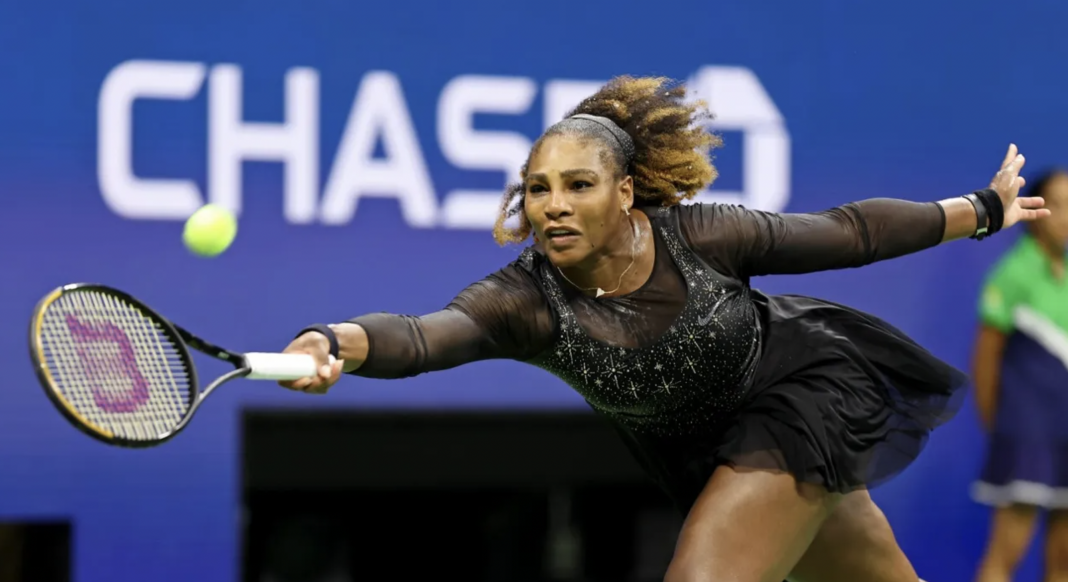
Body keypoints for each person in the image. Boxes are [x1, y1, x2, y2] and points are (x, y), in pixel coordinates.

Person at [277, 75, 1048, 582]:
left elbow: (849, 231)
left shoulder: (703, 237)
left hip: (798, 400)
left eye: (578, 184)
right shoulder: (525, 299)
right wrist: (334, 341)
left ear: (625, 191)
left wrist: (981, 210)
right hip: (702, 453)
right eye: (538, 189)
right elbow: (423, 336)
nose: (553, 205)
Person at [971, 169, 1068, 582]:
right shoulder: (1012, 273)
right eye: (1058, 204)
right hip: (1027, 434)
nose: (1066, 216)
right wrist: (1001, 426)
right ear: (1036, 211)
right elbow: (986, 358)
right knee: (1006, 553)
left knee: (1064, 560)